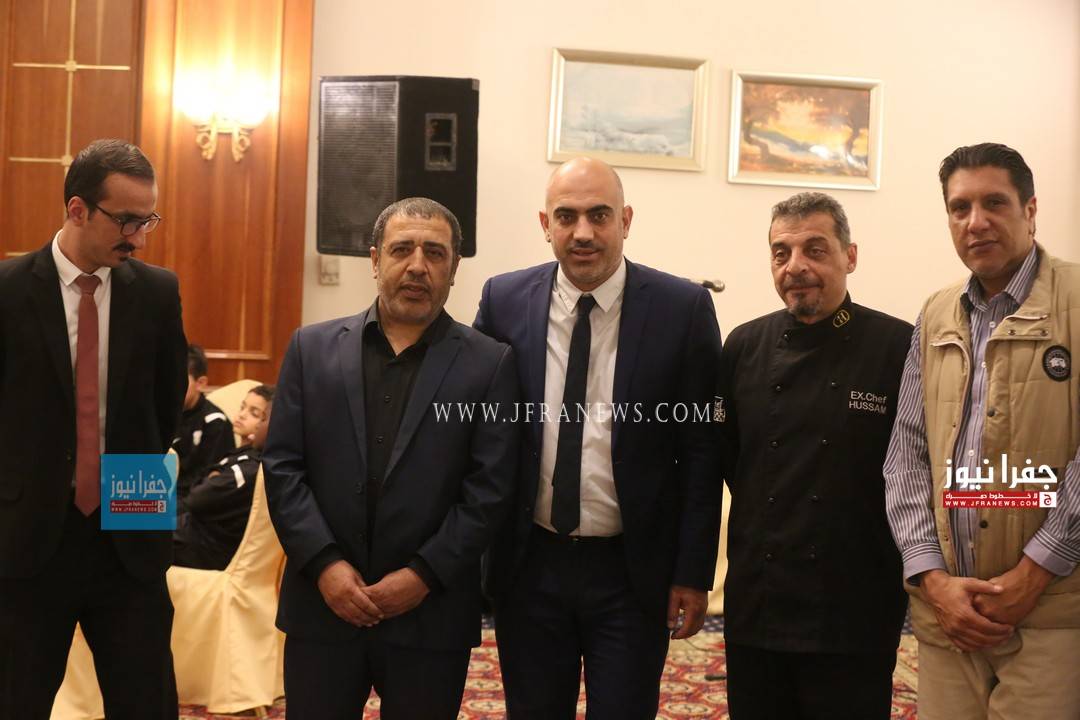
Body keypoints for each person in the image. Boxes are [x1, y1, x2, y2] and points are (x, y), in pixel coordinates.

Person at [474, 157, 723, 718]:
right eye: (566, 216)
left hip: (632, 571)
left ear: (626, 220)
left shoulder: (682, 309)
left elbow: (702, 453)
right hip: (530, 564)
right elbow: (479, 435)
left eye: (599, 215)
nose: (582, 232)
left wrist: (691, 573)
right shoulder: (503, 300)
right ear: (546, 224)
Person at [262, 197, 519, 719]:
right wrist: (325, 566)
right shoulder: (311, 349)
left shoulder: (490, 364)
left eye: (435, 253)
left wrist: (422, 575)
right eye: (402, 250)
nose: (418, 266)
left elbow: (489, 489)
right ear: (376, 260)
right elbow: (284, 467)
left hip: (431, 614)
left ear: (454, 268)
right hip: (323, 608)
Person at [884, 142, 1080, 718]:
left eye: (994, 202)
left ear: (1030, 209)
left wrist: (1035, 571)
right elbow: (906, 454)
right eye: (959, 207)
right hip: (949, 615)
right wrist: (931, 578)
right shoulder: (935, 313)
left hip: (1051, 611)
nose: (976, 222)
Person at [0, 139, 187, 719]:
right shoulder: (7, 290)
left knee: (146, 702)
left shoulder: (157, 293)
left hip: (132, 529)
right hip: (28, 536)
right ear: (77, 209)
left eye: (147, 220)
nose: (139, 238)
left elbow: (165, 407)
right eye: (127, 220)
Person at [716, 192, 911, 719]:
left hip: (856, 606)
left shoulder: (898, 346)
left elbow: (916, 472)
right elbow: (731, 463)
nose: (795, 266)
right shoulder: (742, 347)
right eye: (781, 253)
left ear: (851, 256)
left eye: (815, 249)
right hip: (759, 600)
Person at [173, 384, 273, 570]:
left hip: (202, 544)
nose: (242, 415)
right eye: (242, 407)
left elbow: (196, 498)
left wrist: (212, 478)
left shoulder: (250, 468)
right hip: (188, 525)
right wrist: (212, 478)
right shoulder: (239, 455)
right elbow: (203, 483)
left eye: (255, 414)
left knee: (129, 523)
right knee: (124, 510)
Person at [172, 344, 234, 502]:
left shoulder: (215, 422)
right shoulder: (163, 412)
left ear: (200, 383)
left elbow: (206, 479)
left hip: (191, 500)